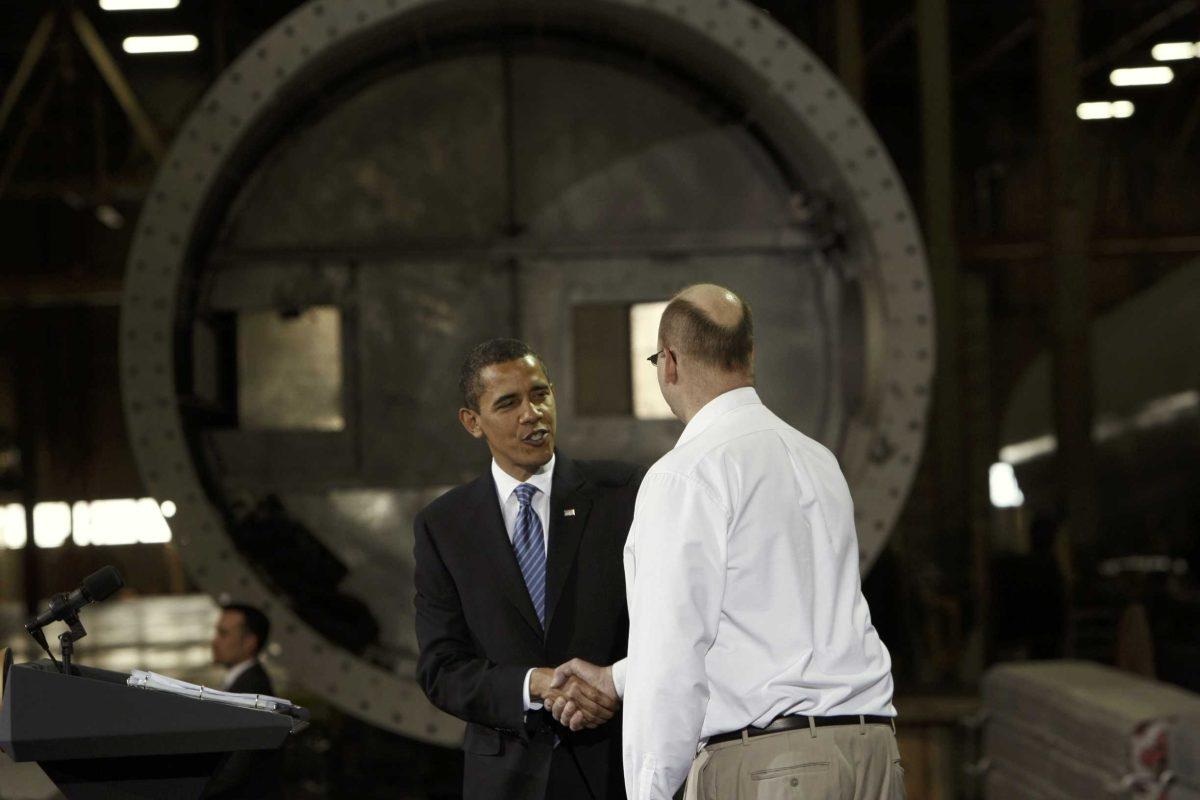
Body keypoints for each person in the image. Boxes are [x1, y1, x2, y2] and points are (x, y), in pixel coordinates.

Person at [552, 285, 903, 800]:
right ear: (750, 356)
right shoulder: (818, 461)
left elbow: (672, 652)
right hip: (872, 752)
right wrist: (618, 679)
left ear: (668, 362)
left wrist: (649, 792)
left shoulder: (686, 475)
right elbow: (775, 626)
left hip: (775, 769)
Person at [413, 338, 643, 799]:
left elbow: (667, 624)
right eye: (509, 403)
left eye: (540, 394)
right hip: (505, 777)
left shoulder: (624, 494)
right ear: (472, 422)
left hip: (615, 764)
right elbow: (442, 668)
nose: (532, 414)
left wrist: (613, 684)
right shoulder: (444, 525)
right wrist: (534, 684)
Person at [206, 603, 283, 800]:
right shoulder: (248, 682)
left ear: (249, 642)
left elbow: (234, 767)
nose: (214, 641)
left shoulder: (251, 690)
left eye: (223, 634)